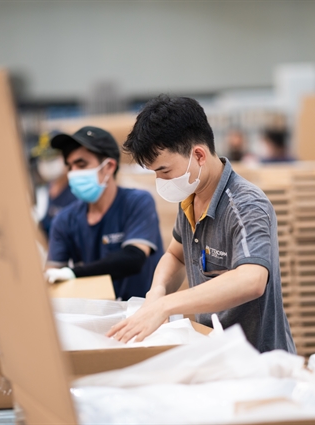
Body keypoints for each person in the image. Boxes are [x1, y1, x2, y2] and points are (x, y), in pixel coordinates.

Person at [108, 95, 295, 354]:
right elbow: (176, 255)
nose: (161, 181)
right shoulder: (190, 196)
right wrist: (157, 292)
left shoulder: (246, 205)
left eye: (164, 171)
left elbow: (252, 279)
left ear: (198, 155)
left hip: (257, 359)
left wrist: (166, 305)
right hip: (215, 351)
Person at [44, 126, 164, 301]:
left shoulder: (137, 202)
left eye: (81, 165)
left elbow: (133, 258)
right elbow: (52, 275)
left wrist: (73, 273)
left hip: (142, 309)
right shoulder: (65, 220)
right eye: (69, 167)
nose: (73, 173)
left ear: (108, 166)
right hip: (94, 311)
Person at [33, 133, 77, 236]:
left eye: (52, 157)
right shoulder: (43, 191)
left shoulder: (77, 193)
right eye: (43, 159)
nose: (48, 163)